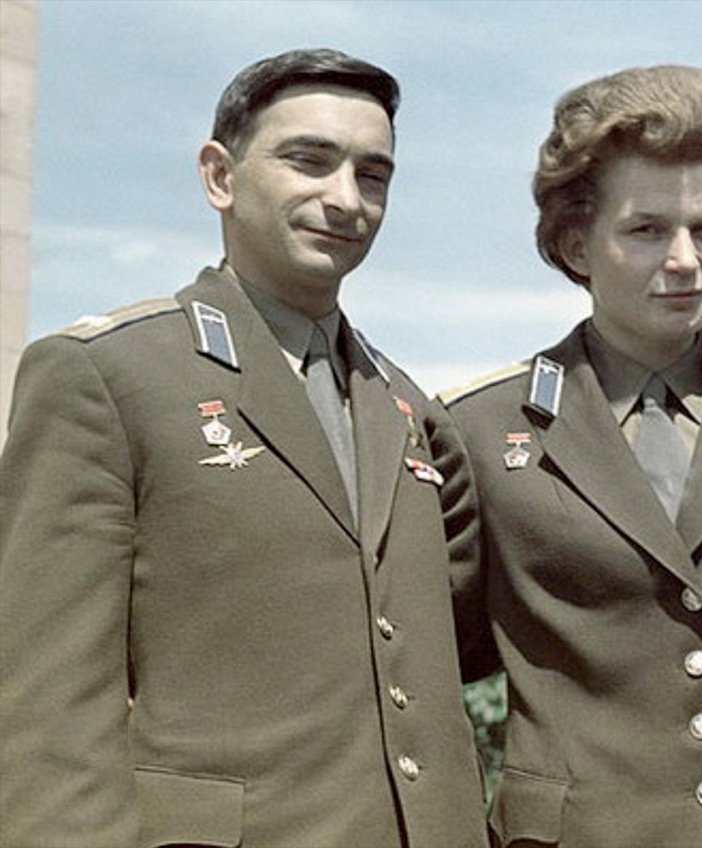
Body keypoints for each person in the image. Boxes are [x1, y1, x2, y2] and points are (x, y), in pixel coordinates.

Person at [0, 49, 488, 846]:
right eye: (310, 161)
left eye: (374, 175)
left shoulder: (410, 411)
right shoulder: (108, 376)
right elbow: (46, 700)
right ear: (220, 177)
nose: (346, 198)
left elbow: (447, 641)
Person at [439, 64, 702, 847]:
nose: (684, 260)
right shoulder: (479, 429)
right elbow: (438, 665)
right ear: (575, 242)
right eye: (645, 230)